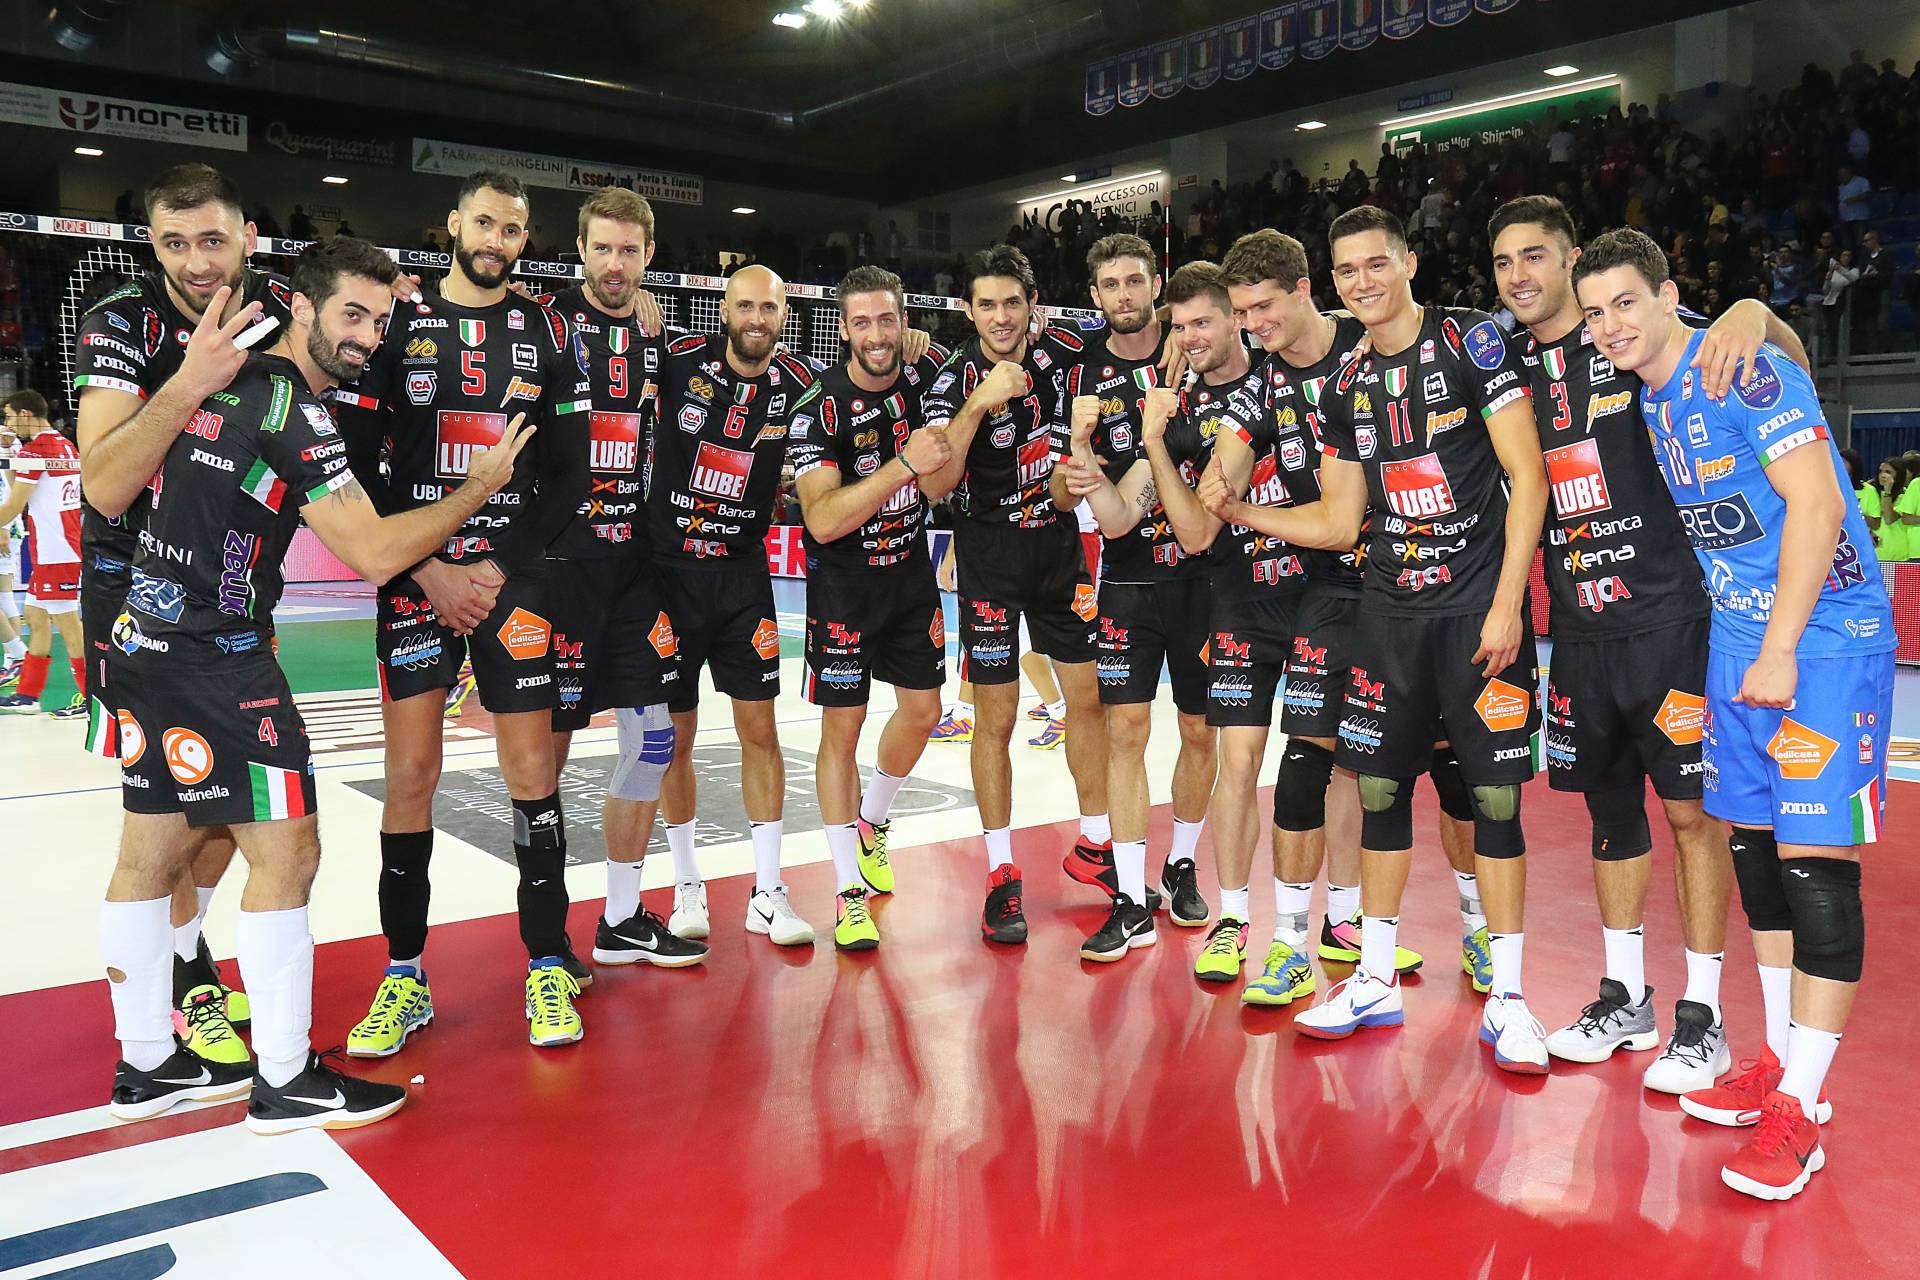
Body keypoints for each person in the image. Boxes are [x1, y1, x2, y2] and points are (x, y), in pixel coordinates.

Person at [101, 235, 529, 1132]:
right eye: (350, 314)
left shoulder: (231, 380)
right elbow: (373, 553)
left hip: (141, 641)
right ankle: (288, 1077)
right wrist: (479, 486)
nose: (366, 335)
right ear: (299, 306)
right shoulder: (292, 408)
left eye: (379, 319)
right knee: (287, 852)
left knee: (149, 854)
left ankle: (146, 1061)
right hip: (215, 655)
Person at [1574, 227, 1894, 1201]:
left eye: (1626, 302)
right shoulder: (1657, 388)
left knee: (1816, 871)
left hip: (1821, 642)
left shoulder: (1739, 371)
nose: (1611, 324)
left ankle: (1804, 1109)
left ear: (1669, 294)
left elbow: (1817, 506)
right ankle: (1779, 1063)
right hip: (1738, 641)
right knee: (1754, 858)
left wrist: (1782, 646)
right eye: (1595, 312)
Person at [1200, 206, 1553, 1073]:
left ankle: (1510, 997)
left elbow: (1528, 474)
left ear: (1408, 263)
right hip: (1388, 617)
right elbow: (1337, 521)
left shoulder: (1470, 341)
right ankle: (1372, 979)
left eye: (1375, 265)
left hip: (1475, 615)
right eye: (1348, 270)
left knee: (1492, 799)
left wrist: (1508, 605)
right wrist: (1240, 510)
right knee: (1383, 791)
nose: (1363, 282)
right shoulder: (1347, 381)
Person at [1488, 195, 1809, 1090]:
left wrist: (1756, 310)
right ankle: (1624, 996)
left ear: (1572, 257)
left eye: (1535, 255)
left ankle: (1703, 1019)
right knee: (1611, 814)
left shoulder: (1636, 337)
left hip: (1674, 621)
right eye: (1504, 261)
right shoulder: (1505, 364)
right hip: (1579, 630)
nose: (1519, 276)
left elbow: (1780, 361)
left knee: (1692, 816)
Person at [70, 165, 330, 1062]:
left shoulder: (283, 308)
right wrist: (187, 384)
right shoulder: (122, 321)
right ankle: (186, 994)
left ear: (249, 236)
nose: (196, 263)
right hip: (137, 600)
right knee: (178, 814)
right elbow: (103, 486)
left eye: (213, 240)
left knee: (215, 811)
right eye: (173, 244)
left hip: (234, 597)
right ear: (150, 243)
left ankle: (178, 982)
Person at [333, 171, 594, 1052]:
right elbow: (355, 464)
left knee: (531, 770)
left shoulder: (549, 330)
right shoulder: (398, 321)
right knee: (410, 776)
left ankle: (547, 962)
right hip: (417, 575)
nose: (496, 240)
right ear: (452, 224)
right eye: (483, 222)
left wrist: (494, 567)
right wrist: (430, 567)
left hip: (511, 579)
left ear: (524, 239)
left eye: (512, 229)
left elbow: (571, 474)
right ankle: (404, 977)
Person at [1193, 232, 1443, 1001]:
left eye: (1264, 307)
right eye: (1241, 313)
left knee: (1414, 769)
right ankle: (1281, 940)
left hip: (1420, 582)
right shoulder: (1261, 384)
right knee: (1307, 755)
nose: (1254, 324)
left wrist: (1745, 313)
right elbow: (1226, 464)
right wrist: (1217, 479)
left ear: (1305, 289)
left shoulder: (1373, 346)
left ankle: (1375, 925)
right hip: (1331, 588)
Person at [535, 187, 705, 972]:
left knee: (654, 740)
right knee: (545, 760)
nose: (614, 264)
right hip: (556, 574)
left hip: (634, 571)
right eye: (602, 248)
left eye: (628, 251)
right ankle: (545, 938)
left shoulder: (656, 338)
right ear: (579, 250)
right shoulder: (544, 326)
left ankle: (621, 917)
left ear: (649, 254)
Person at [918, 245, 1109, 945]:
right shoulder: (951, 377)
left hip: (1058, 549)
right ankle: (1001, 874)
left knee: (1088, 703)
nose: (1001, 317)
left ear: (1034, 307)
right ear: (969, 311)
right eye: (987, 304)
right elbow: (936, 483)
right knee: (994, 719)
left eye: (1012, 303)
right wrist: (980, 401)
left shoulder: (1067, 349)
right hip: (990, 558)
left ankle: (1097, 846)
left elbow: (1138, 325)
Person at [1055, 234, 1218, 957]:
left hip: (1206, 578)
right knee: (1125, 731)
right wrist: (1078, 452)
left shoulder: (1196, 351)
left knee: (1199, 731)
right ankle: (1128, 896)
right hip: (1127, 576)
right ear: (1094, 296)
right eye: (1110, 284)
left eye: (1134, 281)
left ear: (1156, 284)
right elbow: (1076, 493)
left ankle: (1181, 863)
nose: (1124, 295)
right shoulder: (1081, 372)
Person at [648, 266, 819, 946]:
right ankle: (686, 883)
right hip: (669, 575)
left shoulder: (801, 383)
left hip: (743, 580)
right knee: (674, 738)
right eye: (745, 305)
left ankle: (767, 892)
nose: (756, 317)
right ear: (723, 310)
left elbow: (879, 378)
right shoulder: (678, 358)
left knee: (761, 732)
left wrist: (919, 344)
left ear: (784, 314)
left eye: (768, 307)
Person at [788, 265, 953, 949]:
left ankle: (872, 821)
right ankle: (846, 891)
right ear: (843, 328)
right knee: (843, 729)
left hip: (910, 575)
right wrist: (903, 466)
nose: (877, 335)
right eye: (862, 322)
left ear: (905, 320)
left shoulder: (928, 373)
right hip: (844, 586)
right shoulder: (817, 407)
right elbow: (824, 520)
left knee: (925, 712)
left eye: (888, 319)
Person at [0, 392, 86, 718]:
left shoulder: (37, 450)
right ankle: (28, 696)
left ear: (25, 414)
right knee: (35, 616)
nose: (8, 423)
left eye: (10, 416)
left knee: (69, 626)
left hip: (57, 552)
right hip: (54, 549)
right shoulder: (62, 444)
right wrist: (9, 451)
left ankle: (91, 699)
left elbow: (13, 505)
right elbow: (21, 490)